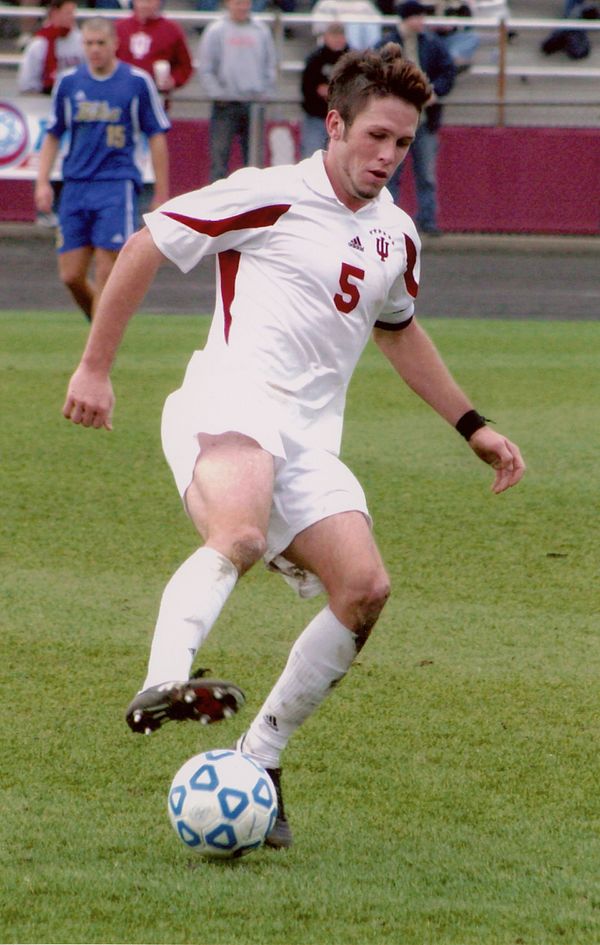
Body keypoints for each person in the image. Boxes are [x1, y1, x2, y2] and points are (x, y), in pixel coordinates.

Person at [62, 43, 525, 849]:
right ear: (336, 124)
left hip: (307, 442)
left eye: (404, 144)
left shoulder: (398, 238)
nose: (388, 157)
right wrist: (96, 368)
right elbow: (145, 245)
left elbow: (400, 333)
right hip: (227, 401)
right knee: (237, 531)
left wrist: (472, 425)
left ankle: (261, 754)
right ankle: (163, 677)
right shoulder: (269, 194)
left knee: (366, 588)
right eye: (376, 136)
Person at [35, 17, 170, 321]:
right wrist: (42, 181)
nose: (94, 50)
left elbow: (157, 136)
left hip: (116, 184)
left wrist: (161, 192)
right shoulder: (69, 83)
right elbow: (54, 134)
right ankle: (103, 332)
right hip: (75, 184)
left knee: (107, 270)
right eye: (89, 43)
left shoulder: (136, 82)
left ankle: (94, 359)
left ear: (114, 44)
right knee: (70, 275)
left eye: (100, 43)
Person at [379, 0, 456, 235]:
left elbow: (447, 70)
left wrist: (436, 91)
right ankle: (388, 221)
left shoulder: (432, 43)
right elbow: (376, 74)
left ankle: (427, 221)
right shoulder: (386, 45)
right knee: (391, 174)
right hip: (395, 121)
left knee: (426, 174)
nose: (422, 22)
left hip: (424, 120)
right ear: (406, 19)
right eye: (418, 17)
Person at [198, 0, 277, 182]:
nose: (242, 7)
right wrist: (218, 94)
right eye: (237, 3)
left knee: (255, 164)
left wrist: (264, 93)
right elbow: (206, 68)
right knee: (219, 161)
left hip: (254, 105)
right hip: (224, 105)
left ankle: (255, 206)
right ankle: (216, 206)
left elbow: (270, 65)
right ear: (228, 4)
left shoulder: (261, 31)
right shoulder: (215, 31)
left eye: (245, 3)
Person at [116, 0, 194, 98]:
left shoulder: (171, 30)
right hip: (122, 94)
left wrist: (173, 80)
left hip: (156, 96)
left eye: (149, 1)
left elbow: (185, 65)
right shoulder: (119, 28)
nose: (144, 4)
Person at [300, 22, 349, 158]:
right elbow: (307, 88)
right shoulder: (315, 59)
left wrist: (332, 92)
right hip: (317, 117)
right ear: (326, 37)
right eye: (334, 36)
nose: (337, 39)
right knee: (311, 155)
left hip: (344, 119)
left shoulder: (352, 59)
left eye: (340, 36)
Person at [17, 0, 83, 94]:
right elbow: (26, 83)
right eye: (68, 13)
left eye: (73, 13)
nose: (72, 17)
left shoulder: (82, 41)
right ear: (55, 13)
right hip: (44, 97)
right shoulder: (38, 44)